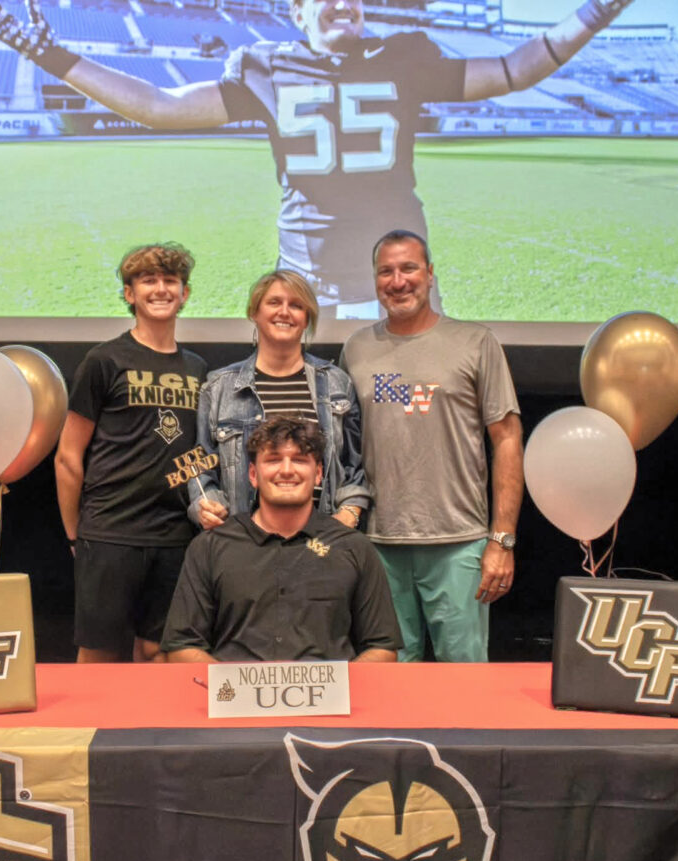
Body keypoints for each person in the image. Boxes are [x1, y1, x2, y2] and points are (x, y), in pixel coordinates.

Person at [0, 0, 636, 317]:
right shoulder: (266, 63)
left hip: (397, 289)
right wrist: (51, 55)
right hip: (306, 287)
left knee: (409, 435)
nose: (344, 3)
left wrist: (595, 13)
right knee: (300, 446)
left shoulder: (405, 55)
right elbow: (158, 104)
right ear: (297, 11)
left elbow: (514, 70)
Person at [340, 229, 523, 662]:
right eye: (386, 271)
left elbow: (508, 440)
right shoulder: (356, 349)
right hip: (379, 544)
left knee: (465, 683)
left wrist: (503, 540)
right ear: (375, 280)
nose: (398, 281)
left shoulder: (476, 343)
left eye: (409, 268)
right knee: (389, 682)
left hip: (459, 543)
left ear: (431, 274)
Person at [54, 242, 207, 663]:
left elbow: (196, 453)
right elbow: (68, 456)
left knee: (159, 651)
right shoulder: (103, 361)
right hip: (110, 533)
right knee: (100, 655)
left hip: (175, 536)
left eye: (170, 280)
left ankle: (154, 732)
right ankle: (90, 730)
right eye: (148, 280)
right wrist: (75, 534)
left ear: (185, 293)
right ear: (129, 294)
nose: (160, 289)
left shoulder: (197, 369)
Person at [161, 416, 401, 662]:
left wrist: (337, 697)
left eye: (299, 460)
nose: (286, 470)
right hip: (233, 697)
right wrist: (234, 696)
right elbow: (182, 647)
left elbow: (381, 647)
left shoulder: (354, 548)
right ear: (253, 474)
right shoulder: (209, 548)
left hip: (331, 699)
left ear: (318, 473)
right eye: (274, 460)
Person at [192, 269, 370, 532]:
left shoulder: (337, 383)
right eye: (274, 302)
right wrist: (205, 506)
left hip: (322, 540)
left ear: (306, 317)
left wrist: (350, 512)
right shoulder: (219, 387)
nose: (284, 312)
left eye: (296, 305)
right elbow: (201, 464)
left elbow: (354, 464)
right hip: (244, 542)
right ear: (254, 312)